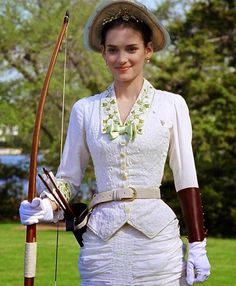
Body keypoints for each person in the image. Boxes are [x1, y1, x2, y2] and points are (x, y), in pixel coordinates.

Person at [19, 0, 211, 285]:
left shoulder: (172, 105)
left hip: (157, 245)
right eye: (113, 50)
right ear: (103, 53)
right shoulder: (85, 109)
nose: (122, 58)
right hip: (101, 243)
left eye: (131, 48)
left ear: (148, 51)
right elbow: (68, 179)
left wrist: (197, 245)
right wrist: (46, 205)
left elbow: (186, 178)